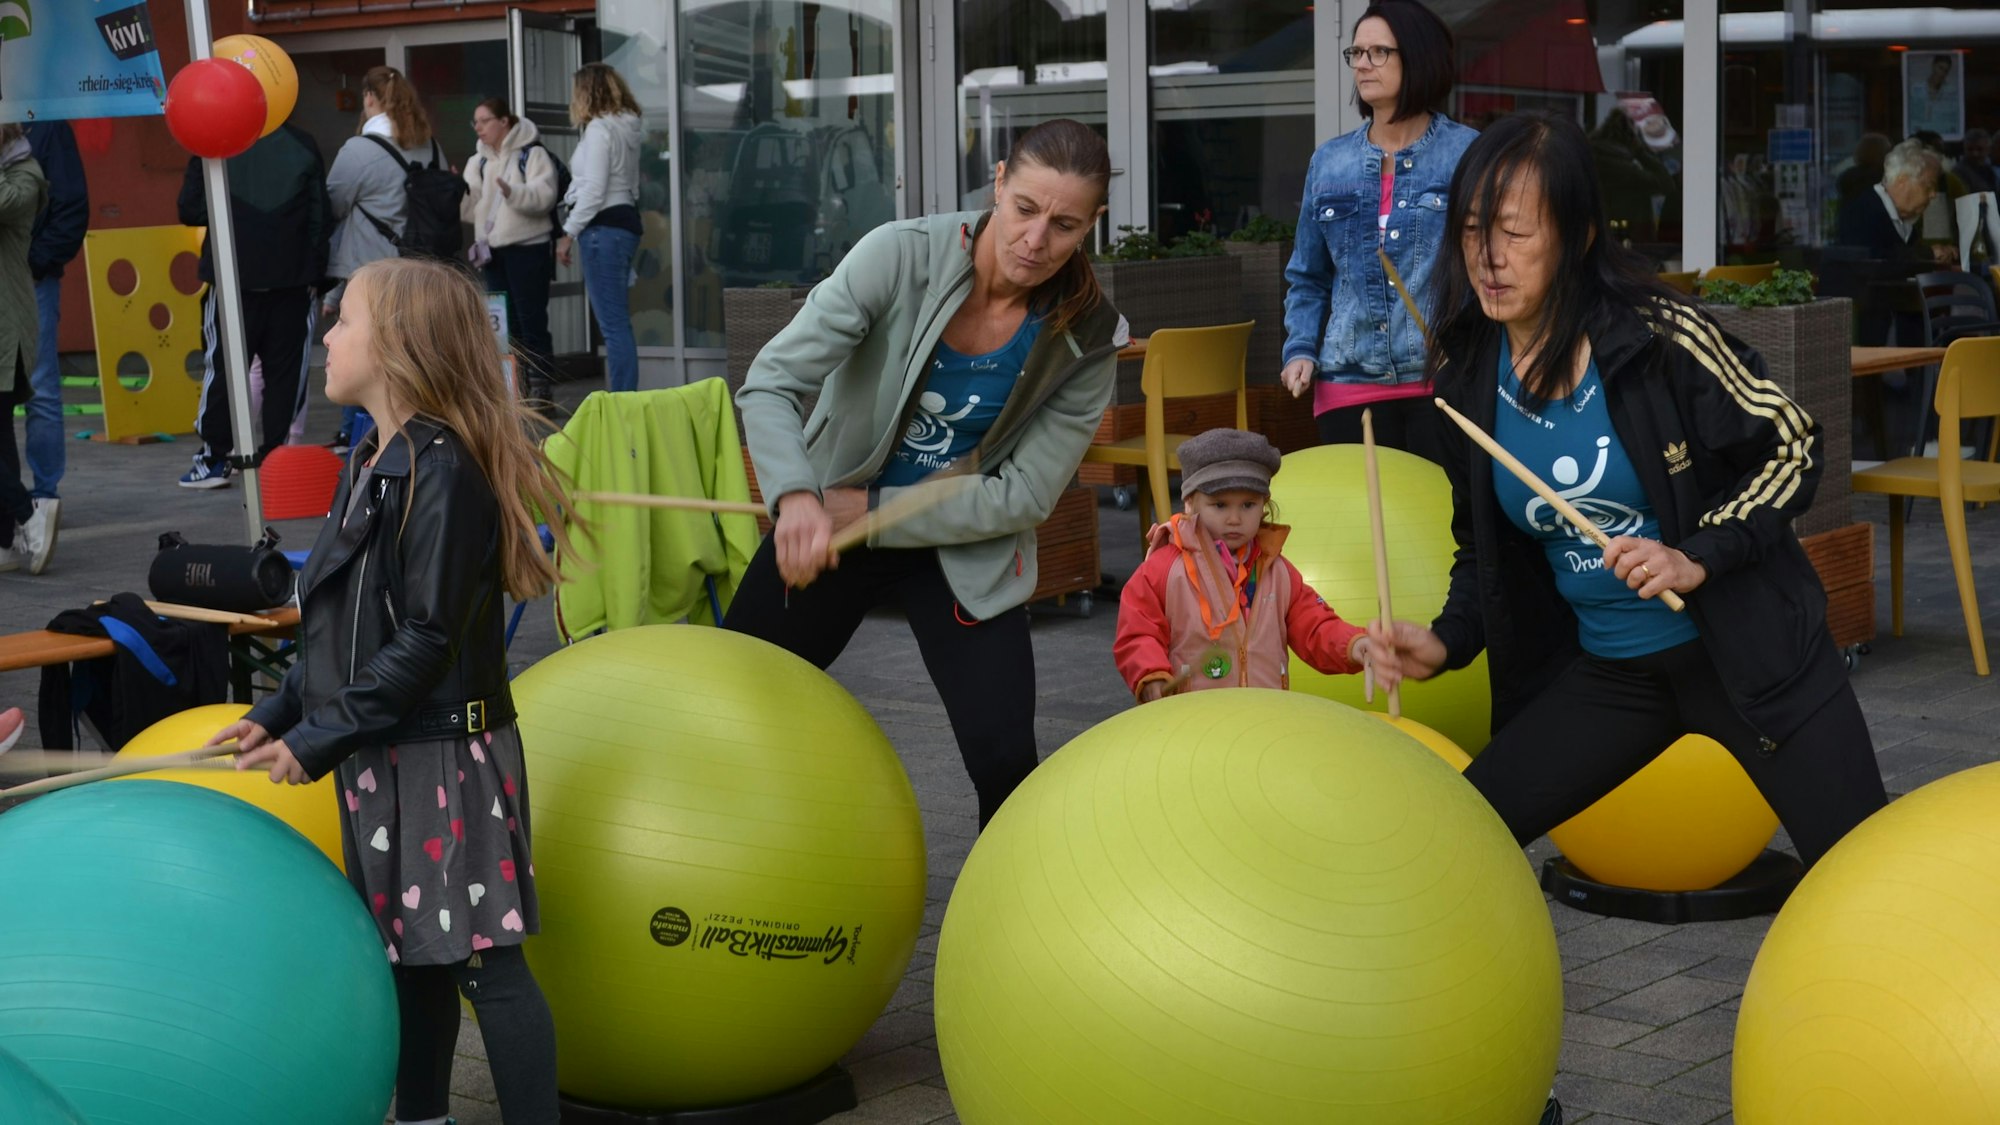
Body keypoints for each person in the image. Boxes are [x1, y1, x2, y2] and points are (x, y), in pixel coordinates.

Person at [1367, 113, 1888, 883]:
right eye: (1473, 229)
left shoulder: (1658, 337)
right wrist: (1444, 642)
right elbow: (1485, 550)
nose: (1488, 257)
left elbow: (1792, 444)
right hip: (1614, 674)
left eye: (1514, 232)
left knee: (1867, 878)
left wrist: (1694, 556)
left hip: (1752, 659)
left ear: (1578, 237)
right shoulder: (1467, 376)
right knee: (1455, 837)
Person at [213, 257, 575, 1125]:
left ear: (398, 345)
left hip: (445, 756)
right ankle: (421, 1116)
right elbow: (342, 632)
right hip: (384, 749)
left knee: (485, 964)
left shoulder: (443, 470)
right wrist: (279, 714)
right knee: (412, 955)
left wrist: (315, 738)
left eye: (344, 319)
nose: (326, 333)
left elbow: (424, 639)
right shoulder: (372, 459)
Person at [726, 118, 1127, 828]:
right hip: (830, 523)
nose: (1036, 240)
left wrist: (876, 507)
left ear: (1091, 224)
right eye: (1025, 209)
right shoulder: (899, 255)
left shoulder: (1090, 335)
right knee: (735, 704)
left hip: (961, 546)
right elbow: (771, 382)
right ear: (998, 183)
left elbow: (1027, 495)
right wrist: (796, 497)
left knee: (1006, 762)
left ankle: (1007, 897)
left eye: (1064, 225)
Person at [1281, 0, 1475, 460]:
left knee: (1441, 507)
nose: (1362, 64)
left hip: (1441, 381)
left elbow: (1486, 267)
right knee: (1361, 508)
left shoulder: (1467, 153)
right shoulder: (1329, 161)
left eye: (1379, 52)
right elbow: (1307, 276)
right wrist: (1300, 348)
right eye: (1356, 52)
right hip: (1346, 384)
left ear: (1419, 57)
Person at [1113, 428, 1372, 701]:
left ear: (1264, 504)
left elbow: (1315, 626)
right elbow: (1138, 632)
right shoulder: (1163, 569)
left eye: (1248, 505)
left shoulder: (1279, 572)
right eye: (1220, 505)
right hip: (1193, 719)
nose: (1235, 518)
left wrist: (1354, 644)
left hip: (1264, 716)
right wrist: (1150, 673)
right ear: (1190, 503)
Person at [176, 121, 332, 488]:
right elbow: (320, 218)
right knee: (285, 375)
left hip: (233, 276)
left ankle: (214, 459)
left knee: (224, 368)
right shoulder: (303, 143)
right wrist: (315, 273)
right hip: (292, 280)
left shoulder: (214, 142)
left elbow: (191, 209)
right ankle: (277, 459)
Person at [326, 66, 437, 452]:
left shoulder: (358, 150)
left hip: (371, 267)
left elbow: (333, 205)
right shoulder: (429, 145)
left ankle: (353, 432)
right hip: (419, 267)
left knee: (364, 346)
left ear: (370, 98)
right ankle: (408, 421)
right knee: (408, 346)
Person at [464, 97, 561, 407]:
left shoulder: (532, 154)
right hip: (492, 252)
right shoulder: (477, 162)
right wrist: (454, 192)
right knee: (503, 326)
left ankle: (541, 390)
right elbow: (470, 208)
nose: (478, 127)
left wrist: (512, 192)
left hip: (528, 248)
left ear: (504, 121)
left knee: (531, 320)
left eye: (485, 120)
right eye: (475, 122)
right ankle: (513, 391)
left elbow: (544, 197)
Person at [556, 63, 643, 393]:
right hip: (624, 221)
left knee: (613, 324)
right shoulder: (627, 127)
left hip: (602, 228)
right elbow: (629, 185)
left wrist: (568, 232)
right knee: (618, 321)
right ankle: (625, 396)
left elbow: (594, 188)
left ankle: (622, 400)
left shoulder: (598, 130)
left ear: (586, 93)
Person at [24, 122, 85, 532]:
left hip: (32, 278)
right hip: (30, 271)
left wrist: (36, 262)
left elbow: (70, 206)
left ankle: (45, 496)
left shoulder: (46, 125)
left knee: (40, 387)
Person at [0, 124, 53, 575]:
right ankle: (5, 539)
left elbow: (4, 205)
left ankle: (28, 513)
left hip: (5, 329)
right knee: (1, 440)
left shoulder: (25, 174)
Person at [1957, 128, 1996, 196]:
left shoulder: (1989, 169)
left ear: (1988, 149)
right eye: (1970, 149)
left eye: (1979, 149)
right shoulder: (1958, 172)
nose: (1975, 154)